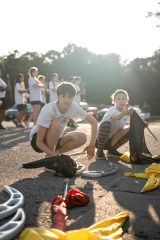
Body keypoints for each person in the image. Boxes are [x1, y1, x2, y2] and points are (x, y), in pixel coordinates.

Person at [29, 82, 98, 160]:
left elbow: (94, 122)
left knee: (82, 137)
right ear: (58, 96)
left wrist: (92, 145)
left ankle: (56, 154)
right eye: (63, 96)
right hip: (37, 141)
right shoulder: (48, 109)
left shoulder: (74, 107)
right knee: (55, 123)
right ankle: (50, 156)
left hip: (57, 137)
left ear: (74, 97)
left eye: (70, 97)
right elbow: (39, 142)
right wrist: (51, 153)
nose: (67, 99)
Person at [96, 89, 133, 160]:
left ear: (127, 101)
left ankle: (112, 151)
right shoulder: (112, 110)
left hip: (113, 140)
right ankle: (99, 151)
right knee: (106, 124)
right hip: (100, 140)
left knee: (131, 129)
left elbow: (132, 123)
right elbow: (116, 117)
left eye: (123, 98)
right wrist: (123, 113)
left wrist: (141, 123)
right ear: (114, 101)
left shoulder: (126, 112)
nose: (121, 100)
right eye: (118, 99)